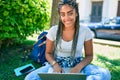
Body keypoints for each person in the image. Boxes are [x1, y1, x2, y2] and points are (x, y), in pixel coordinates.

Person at [25, 0, 111, 80]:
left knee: (105, 73)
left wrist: (78, 67)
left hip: (78, 64)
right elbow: (48, 53)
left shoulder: (85, 31)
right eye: (63, 14)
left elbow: (89, 56)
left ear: (76, 13)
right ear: (60, 16)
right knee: (29, 78)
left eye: (70, 13)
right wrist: (55, 65)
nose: (67, 18)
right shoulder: (53, 31)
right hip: (57, 64)